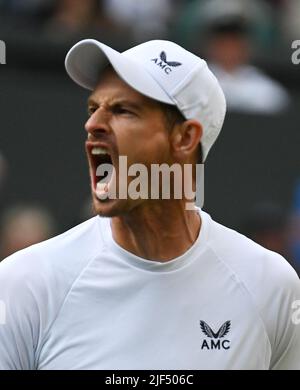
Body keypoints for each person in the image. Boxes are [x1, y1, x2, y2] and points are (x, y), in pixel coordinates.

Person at [0, 38, 299, 370]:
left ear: (185, 138)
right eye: (93, 108)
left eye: (123, 110)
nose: (92, 125)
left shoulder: (272, 287)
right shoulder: (23, 284)